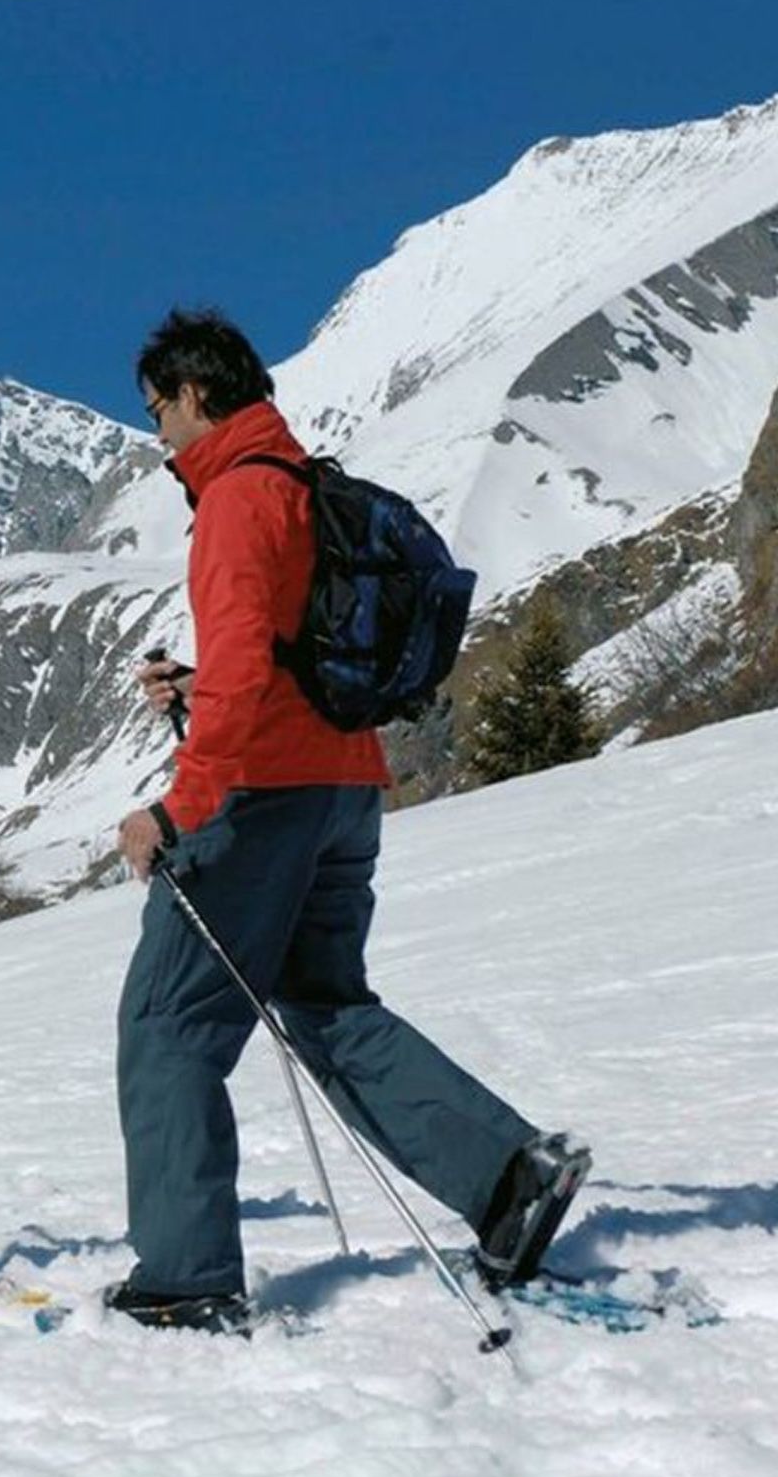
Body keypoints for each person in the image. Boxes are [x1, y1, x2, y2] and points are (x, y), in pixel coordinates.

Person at [108, 309, 589, 1333]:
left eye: (157, 411)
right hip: (340, 790)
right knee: (326, 1004)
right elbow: (280, 661)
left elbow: (242, 676)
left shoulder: (236, 500)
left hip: (259, 803)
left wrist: (172, 808)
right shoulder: (303, 485)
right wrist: (200, 687)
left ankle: (184, 1278)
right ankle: (508, 1178)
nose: (155, 435)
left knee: (168, 1027)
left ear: (197, 396)